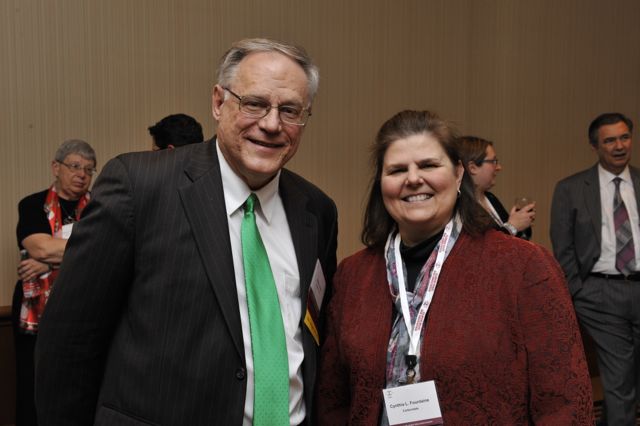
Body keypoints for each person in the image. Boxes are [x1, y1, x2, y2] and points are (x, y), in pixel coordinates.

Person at [34, 38, 337, 426]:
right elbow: (69, 342)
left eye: (290, 110)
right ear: (218, 102)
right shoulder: (139, 187)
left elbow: (311, 334)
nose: (272, 124)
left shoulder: (317, 211)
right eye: (254, 103)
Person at [316, 110, 592, 425]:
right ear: (381, 182)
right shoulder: (354, 275)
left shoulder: (524, 267)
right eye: (397, 170)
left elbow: (565, 403)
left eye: (428, 165)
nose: (413, 179)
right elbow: (332, 399)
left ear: (459, 174)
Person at [550, 112, 640, 426]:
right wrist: (578, 291)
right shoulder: (571, 189)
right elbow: (562, 246)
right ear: (595, 146)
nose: (619, 146)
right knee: (618, 377)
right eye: (610, 140)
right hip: (599, 294)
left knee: (630, 378)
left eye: (624, 137)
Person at [12, 139, 96, 426]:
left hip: (83, 311)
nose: (82, 175)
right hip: (35, 309)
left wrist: (50, 262)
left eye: (89, 169)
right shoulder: (32, 205)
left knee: (77, 387)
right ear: (55, 167)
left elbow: (108, 249)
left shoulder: (100, 207)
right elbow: (40, 248)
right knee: (33, 383)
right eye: (74, 166)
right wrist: (77, 251)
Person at [454, 135, 534, 240]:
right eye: (493, 162)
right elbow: (481, 245)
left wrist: (522, 223)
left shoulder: (490, 198)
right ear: (473, 168)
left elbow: (513, 240)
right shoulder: (460, 206)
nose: (499, 167)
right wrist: (512, 226)